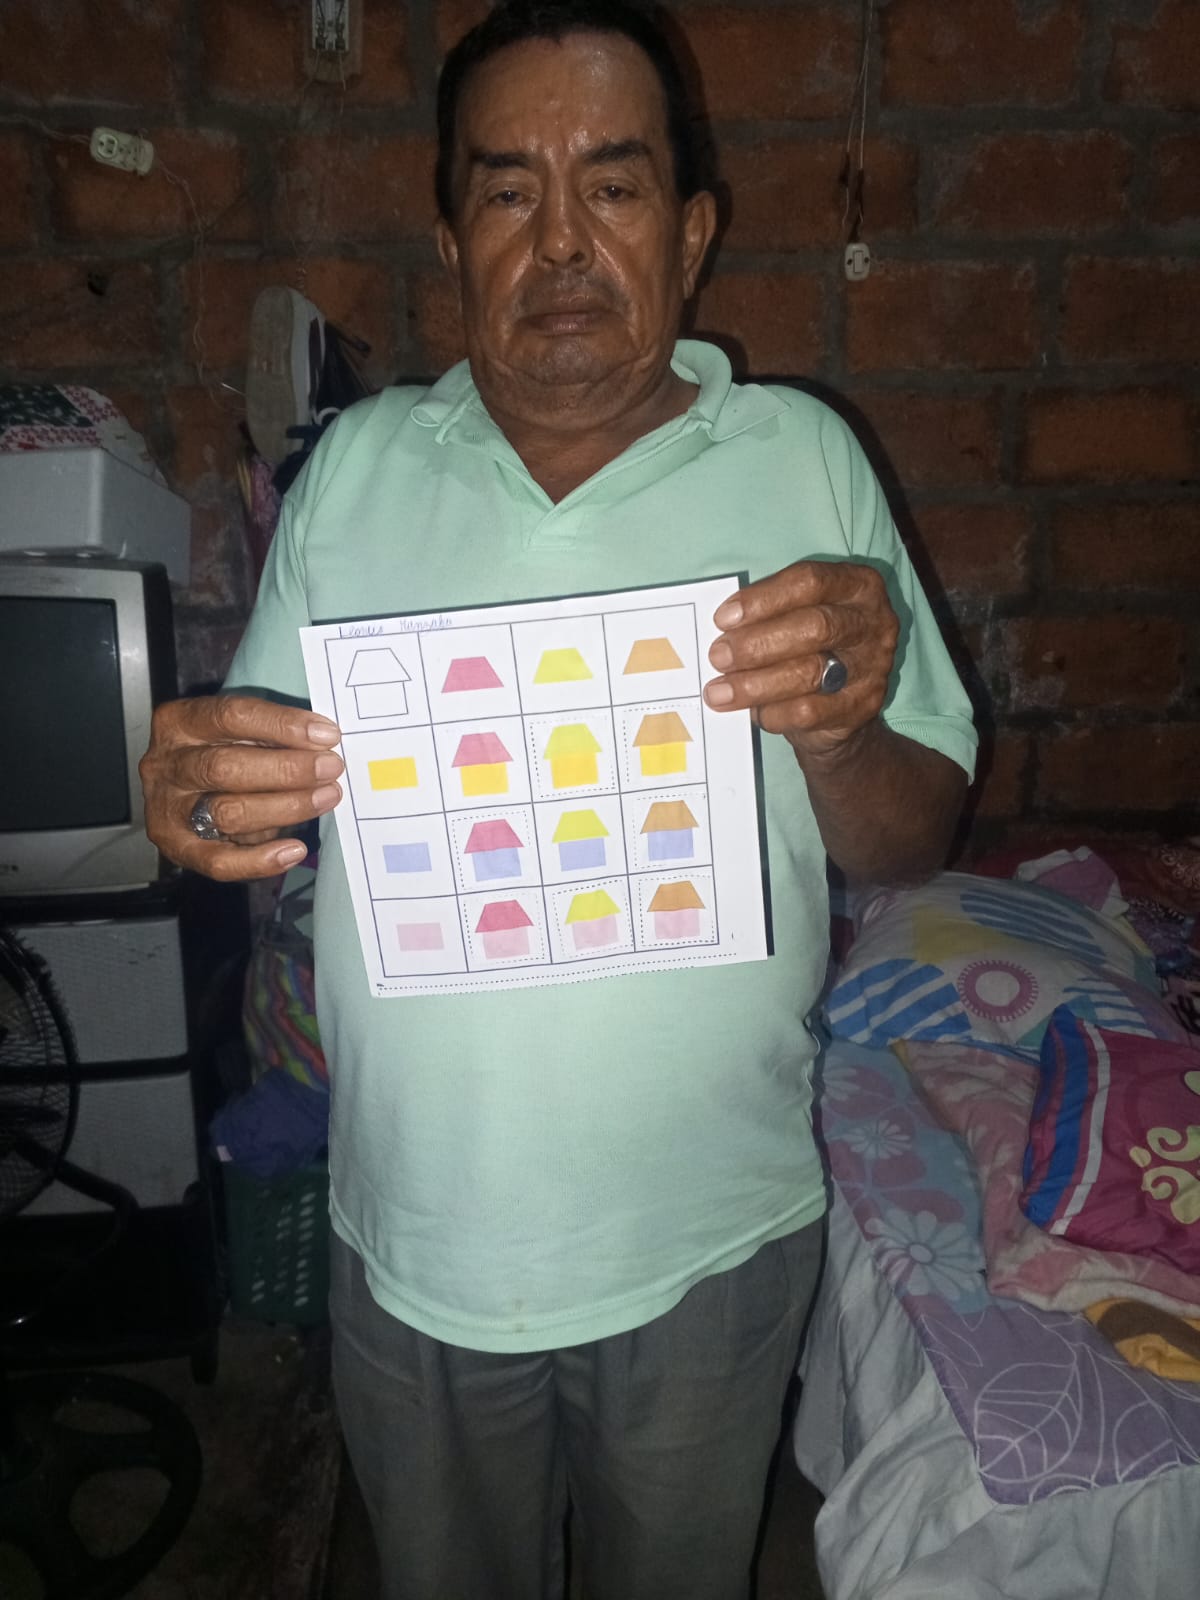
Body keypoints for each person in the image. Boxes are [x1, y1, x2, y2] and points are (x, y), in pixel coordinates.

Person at [140, 2, 977, 1595]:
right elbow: (266, 811)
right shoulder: (355, 472)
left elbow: (913, 839)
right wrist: (203, 806)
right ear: (453, 241)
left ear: (693, 231)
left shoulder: (805, 460)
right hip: (416, 1238)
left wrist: (841, 730)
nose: (565, 239)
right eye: (510, 189)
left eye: (615, 182)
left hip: (713, 1236)